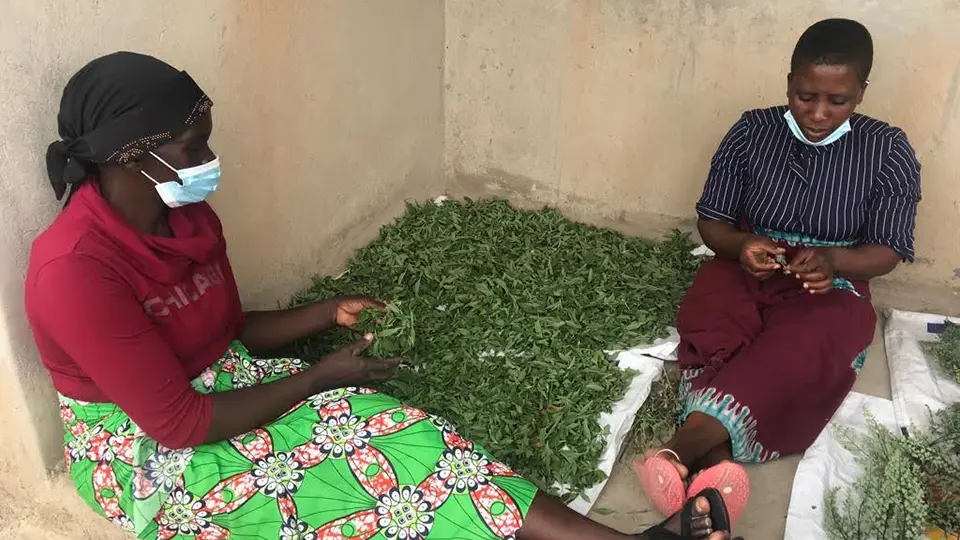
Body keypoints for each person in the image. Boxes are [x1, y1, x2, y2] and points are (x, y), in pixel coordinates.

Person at [26, 52, 739, 540]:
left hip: (223, 389)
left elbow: (222, 331)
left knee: (414, 437)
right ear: (128, 154)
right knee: (365, 497)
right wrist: (315, 378)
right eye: (191, 148)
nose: (209, 163)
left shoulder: (185, 217)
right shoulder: (75, 273)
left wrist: (325, 315)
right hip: (146, 453)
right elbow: (179, 423)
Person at [635, 18, 921, 526]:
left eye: (838, 101)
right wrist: (743, 245)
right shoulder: (751, 131)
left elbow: (889, 250)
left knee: (806, 344)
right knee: (716, 313)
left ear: (861, 92)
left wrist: (834, 261)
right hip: (749, 267)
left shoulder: (888, 151)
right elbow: (713, 221)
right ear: (788, 80)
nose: (817, 113)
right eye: (804, 95)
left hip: (829, 285)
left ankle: (679, 452)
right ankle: (716, 474)